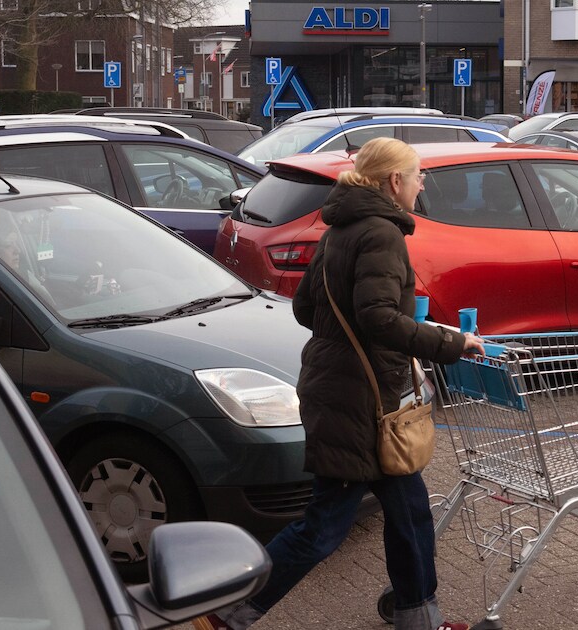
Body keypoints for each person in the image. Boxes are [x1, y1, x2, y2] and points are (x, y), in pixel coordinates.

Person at [203, 137, 484, 630]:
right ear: (394, 182)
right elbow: (378, 316)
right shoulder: (381, 234)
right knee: (323, 526)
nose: (422, 184)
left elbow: (306, 307)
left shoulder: (340, 229)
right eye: (417, 175)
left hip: (349, 390)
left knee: (411, 511)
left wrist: (350, 341)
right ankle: (227, 612)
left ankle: (418, 615)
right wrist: (450, 343)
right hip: (359, 402)